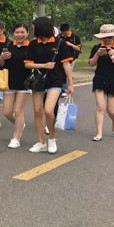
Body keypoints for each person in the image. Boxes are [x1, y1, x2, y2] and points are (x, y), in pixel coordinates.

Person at [25, 16, 74, 154]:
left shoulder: (60, 43)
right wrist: (44, 65)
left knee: (48, 110)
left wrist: (70, 84)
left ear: (42, 28)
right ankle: (41, 142)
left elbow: (66, 64)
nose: (33, 30)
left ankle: (52, 138)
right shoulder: (33, 44)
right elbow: (27, 64)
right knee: (37, 111)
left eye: (34, 28)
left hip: (55, 81)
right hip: (38, 81)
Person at [0, 23, 32, 148]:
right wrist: (2, 57)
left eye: (22, 32)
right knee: (7, 112)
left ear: (27, 33)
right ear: (14, 33)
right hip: (10, 82)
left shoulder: (31, 47)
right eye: (17, 32)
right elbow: (1, 64)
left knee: (18, 111)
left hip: (25, 83)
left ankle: (16, 138)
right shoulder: (8, 45)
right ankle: (20, 124)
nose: (19, 35)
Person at [87, 24, 114, 141]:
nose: (107, 39)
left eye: (109, 37)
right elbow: (91, 64)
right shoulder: (97, 48)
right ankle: (99, 133)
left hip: (113, 79)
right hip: (99, 78)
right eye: (104, 37)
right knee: (100, 106)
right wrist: (97, 54)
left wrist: (113, 53)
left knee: (111, 110)